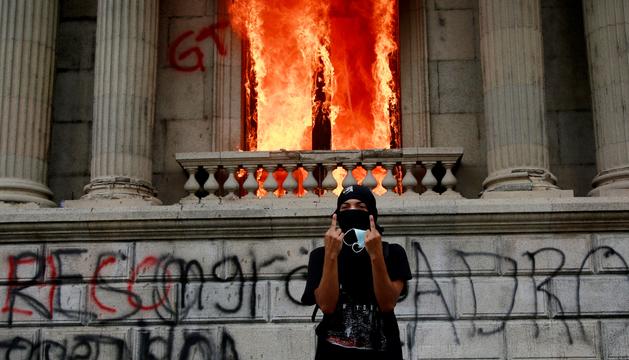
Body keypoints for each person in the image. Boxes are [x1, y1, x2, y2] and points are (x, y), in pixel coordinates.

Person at [301, 185, 412, 360]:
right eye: (345, 207)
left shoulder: (393, 252)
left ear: (372, 214)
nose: (352, 211)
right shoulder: (320, 256)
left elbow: (387, 303)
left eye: (360, 206)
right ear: (336, 215)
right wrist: (331, 256)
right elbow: (327, 306)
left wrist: (376, 255)